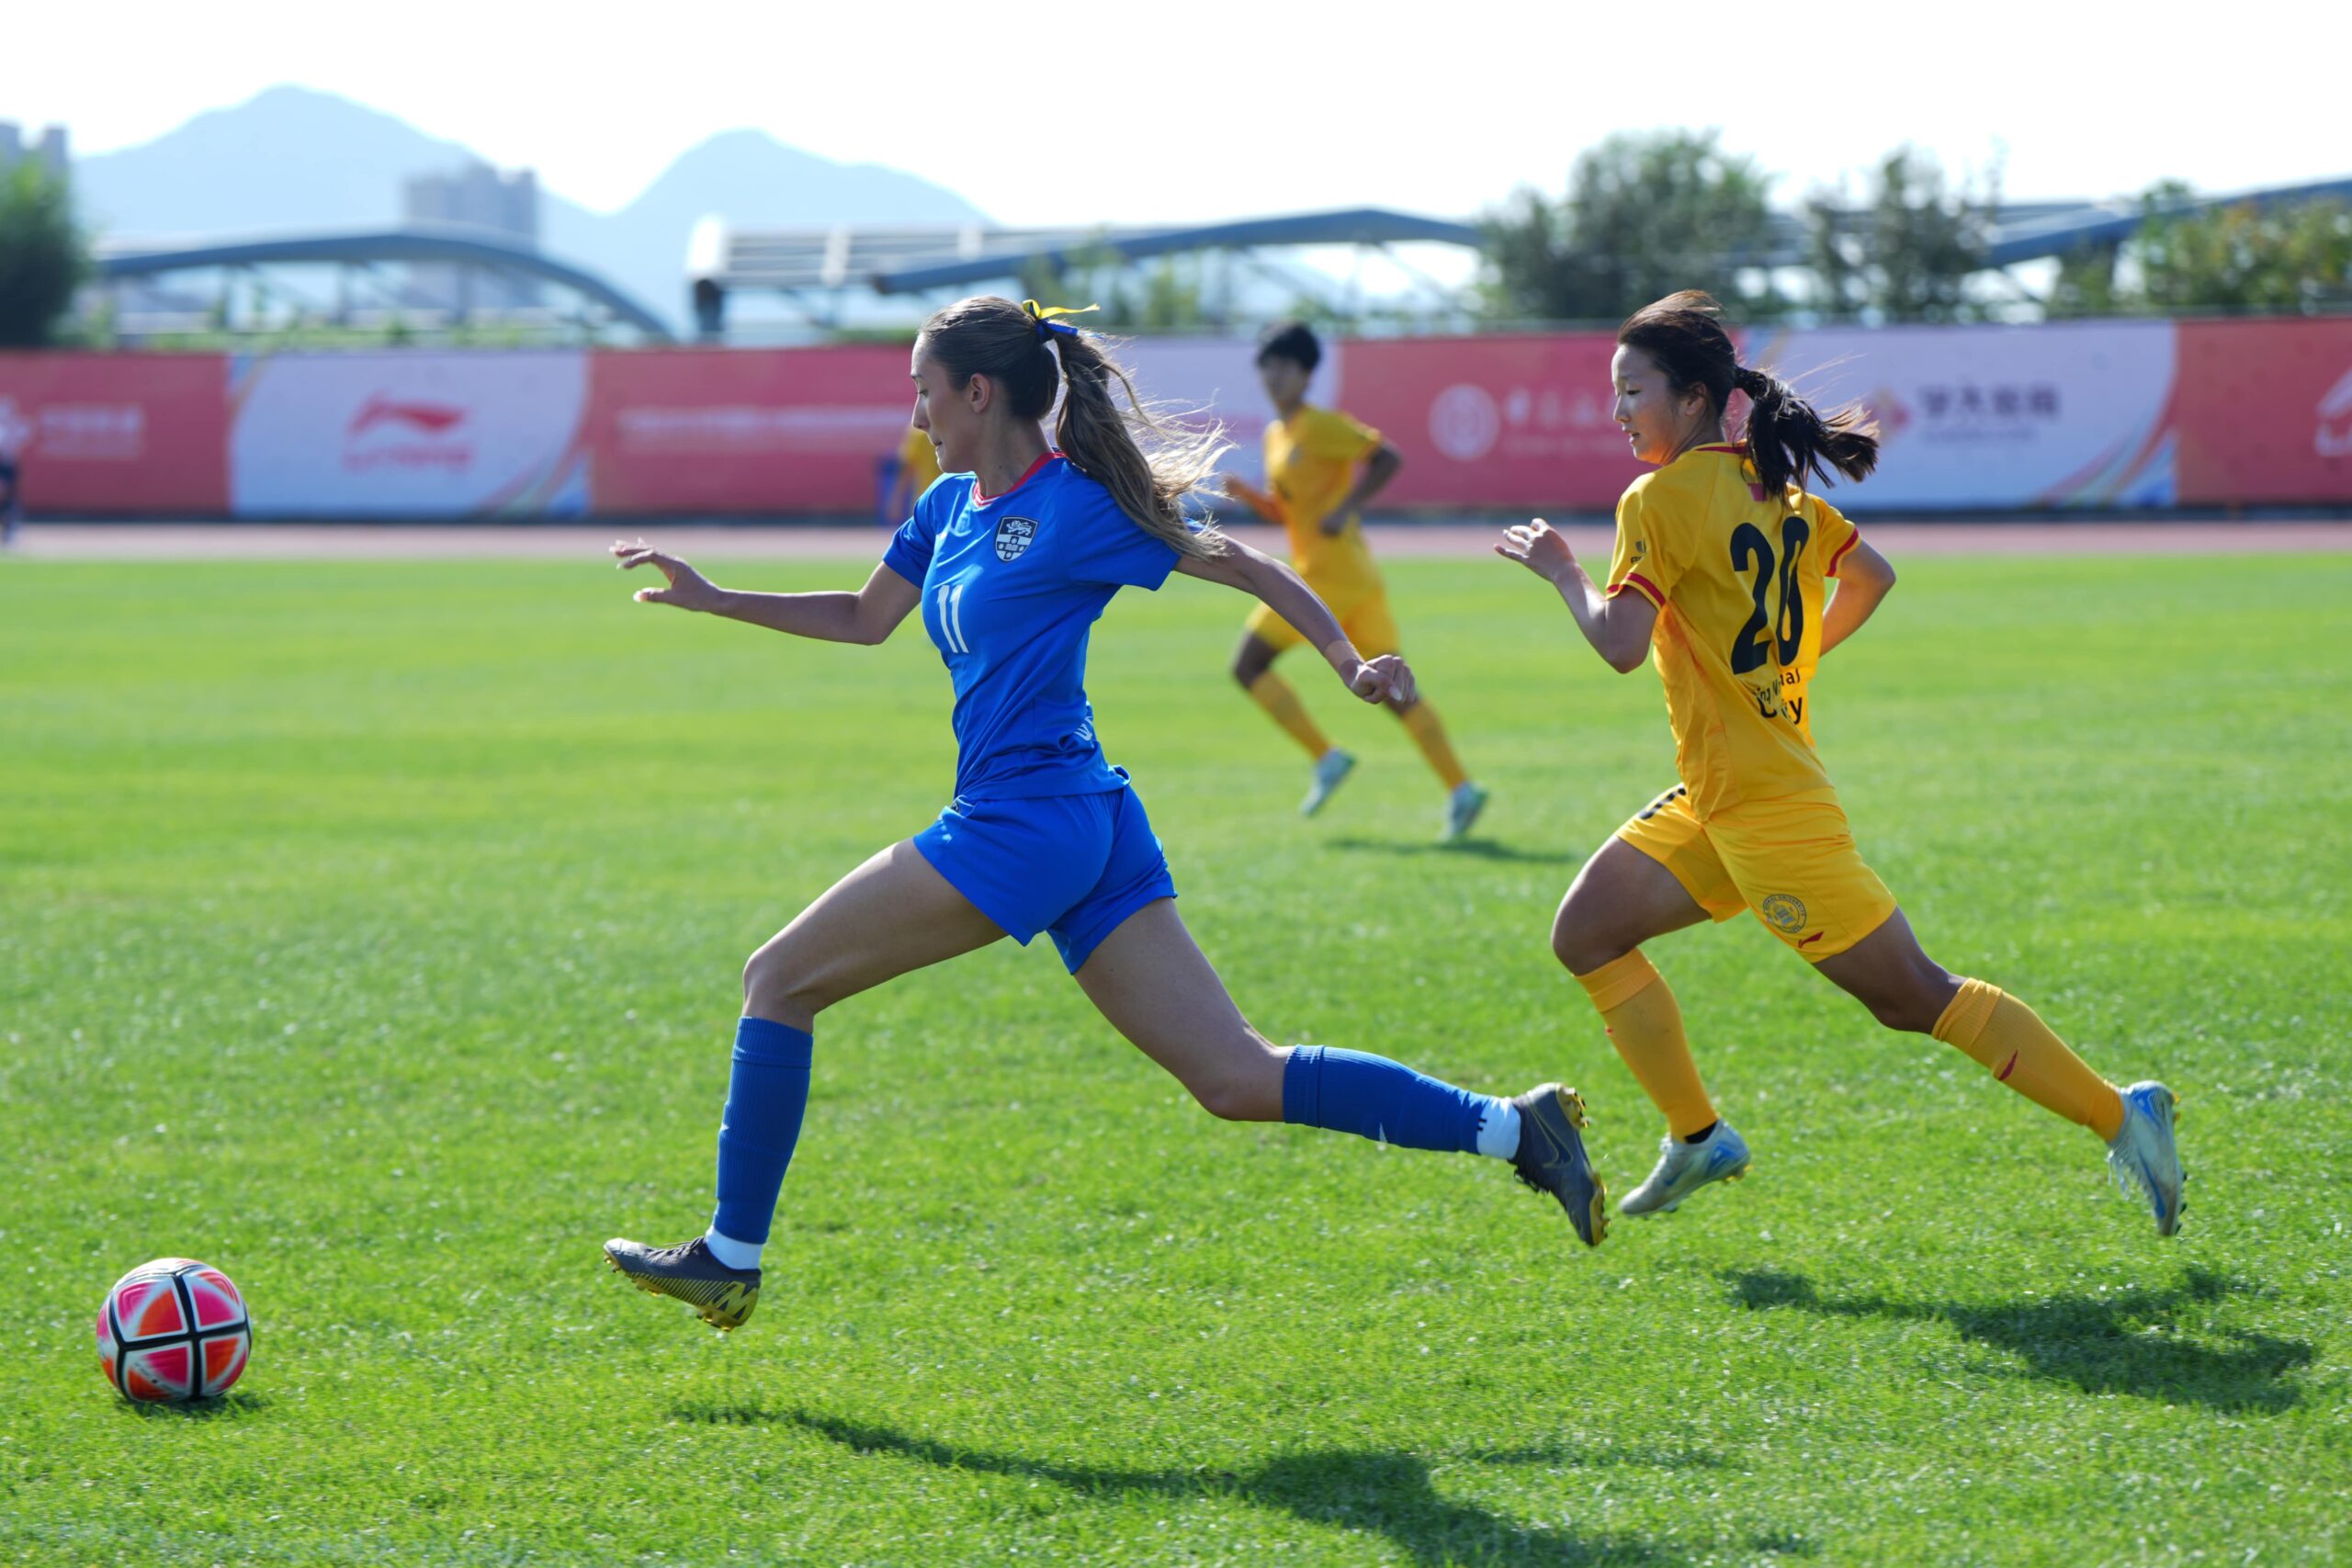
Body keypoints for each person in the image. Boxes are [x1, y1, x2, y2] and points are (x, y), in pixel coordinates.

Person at [602, 297, 1607, 1332]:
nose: (914, 414)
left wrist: (1348, 664)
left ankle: (730, 1256)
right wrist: (718, 598)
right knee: (1234, 1076)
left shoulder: (1078, 506)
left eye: (924, 389)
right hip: (1081, 822)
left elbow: (1247, 564)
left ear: (978, 392)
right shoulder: (947, 508)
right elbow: (865, 619)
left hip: (1025, 824)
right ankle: (1514, 1130)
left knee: (777, 978)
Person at [1494, 290, 2185, 1235]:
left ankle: (2120, 1111)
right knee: (1587, 932)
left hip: (1769, 817)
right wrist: (1784, 669)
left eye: (1633, 391)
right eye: (1615, 393)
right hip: (1722, 797)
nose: (1619, 413)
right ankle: (1697, 1137)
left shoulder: (1655, 500)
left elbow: (1619, 643)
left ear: (1694, 397)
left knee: (1915, 998)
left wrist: (1562, 574)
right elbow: (1871, 578)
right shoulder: (1774, 487)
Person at [1221, 322, 1487, 839]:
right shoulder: (1279, 434)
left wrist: (1348, 507)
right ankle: (1463, 789)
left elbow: (1387, 457)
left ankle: (1327, 758)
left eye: (1284, 367)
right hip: (1348, 577)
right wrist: (1250, 498)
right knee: (1390, 688)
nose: (1273, 377)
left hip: (1328, 576)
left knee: (1248, 664)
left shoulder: (1321, 425)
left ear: (1305, 373)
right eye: (1267, 367)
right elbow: (1291, 513)